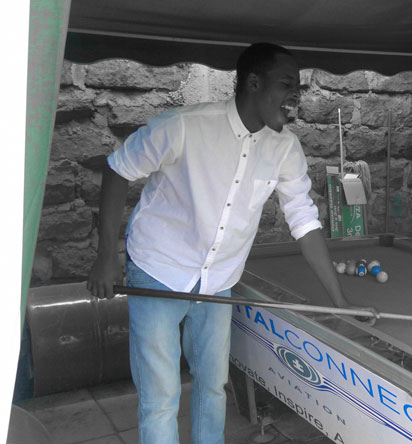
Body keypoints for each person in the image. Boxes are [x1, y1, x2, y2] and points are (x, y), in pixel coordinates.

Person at [86, 42, 357, 444]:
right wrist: (105, 257)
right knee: (161, 398)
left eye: (298, 86)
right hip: (158, 269)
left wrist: (340, 305)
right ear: (252, 82)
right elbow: (116, 170)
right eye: (286, 84)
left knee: (213, 388)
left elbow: (304, 221)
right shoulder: (184, 126)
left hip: (218, 281)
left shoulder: (286, 149)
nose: (296, 95)